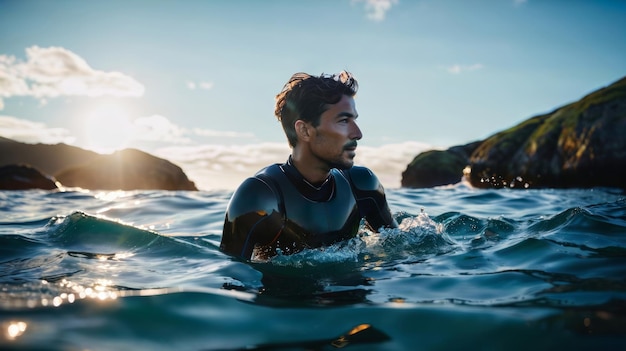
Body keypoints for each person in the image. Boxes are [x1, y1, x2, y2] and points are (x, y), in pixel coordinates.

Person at [220, 71, 397, 260]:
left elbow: (400, 250)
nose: (357, 133)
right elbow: (231, 279)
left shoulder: (362, 184)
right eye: (344, 121)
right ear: (304, 130)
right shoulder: (259, 197)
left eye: (355, 120)